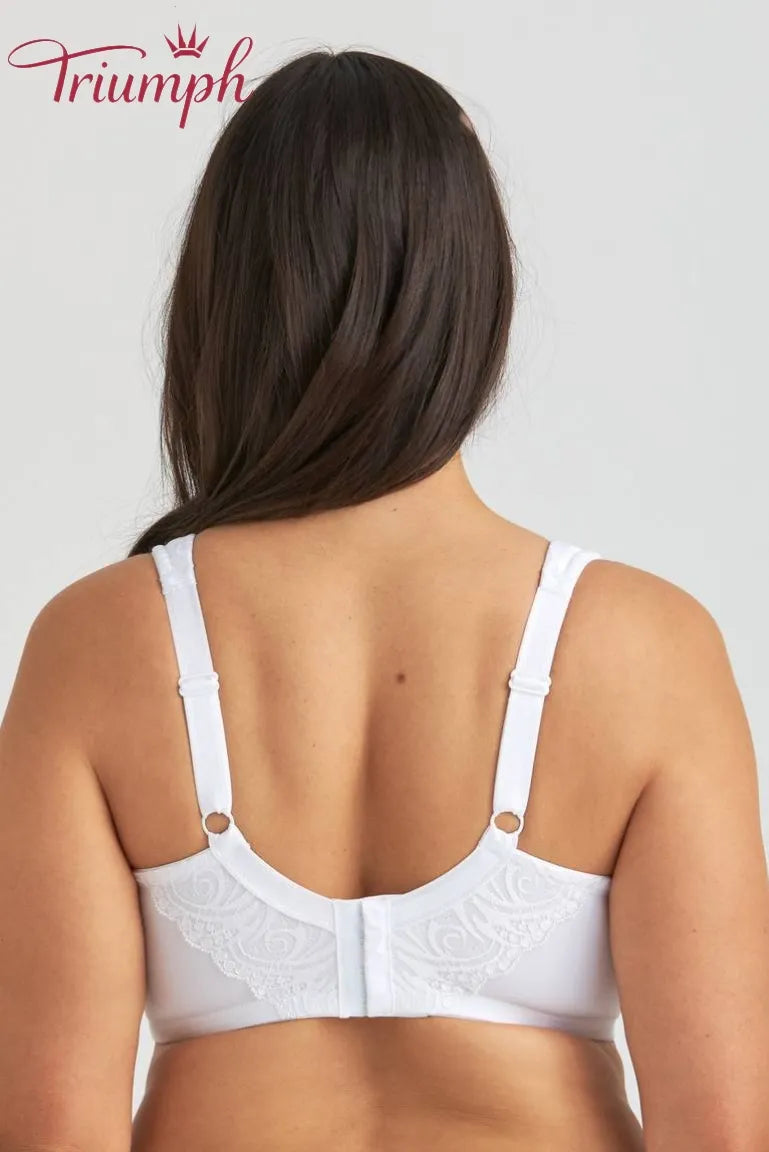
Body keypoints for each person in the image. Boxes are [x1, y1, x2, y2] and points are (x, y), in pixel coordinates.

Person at [1, 47, 767, 1152]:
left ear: (222, 299)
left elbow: (48, 1131)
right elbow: (724, 1134)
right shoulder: (643, 646)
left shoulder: (98, 643)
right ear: (473, 293)